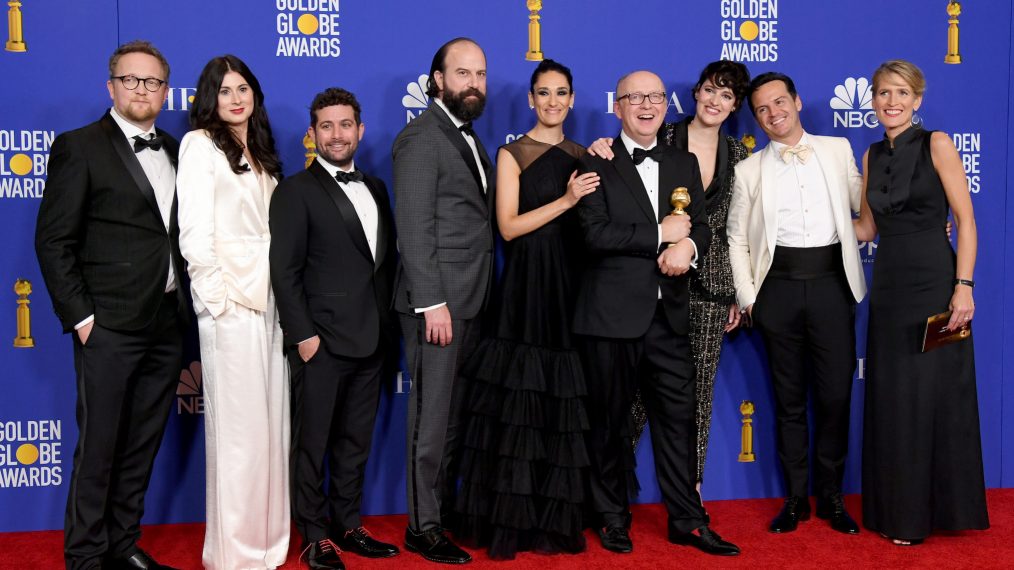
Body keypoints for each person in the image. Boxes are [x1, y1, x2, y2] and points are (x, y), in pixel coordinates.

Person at [35, 40, 187, 570]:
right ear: (111, 86)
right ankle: (85, 556)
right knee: (99, 447)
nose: (141, 89)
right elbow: (54, 241)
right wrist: (82, 318)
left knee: (142, 444)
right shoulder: (80, 146)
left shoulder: (177, 148)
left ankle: (123, 545)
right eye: (131, 80)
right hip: (108, 326)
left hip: (167, 323)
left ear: (166, 92)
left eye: (152, 82)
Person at [573, 70, 739, 557]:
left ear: (667, 105)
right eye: (635, 97)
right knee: (608, 423)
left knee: (679, 422)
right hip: (609, 319)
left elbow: (705, 227)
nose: (646, 105)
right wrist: (660, 236)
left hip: (670, 318)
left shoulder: (683, 161)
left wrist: (687, 244)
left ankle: (687, 518)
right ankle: (610, 517)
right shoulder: (594, 161)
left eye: (655, 97)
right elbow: (593, 235)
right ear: (618, 106)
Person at [452, 59, 600, 560]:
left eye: (562, 92)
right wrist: (565, 199)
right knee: (519, 402)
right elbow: (509, 227)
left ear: (573, 99)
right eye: (544, 93)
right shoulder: (511, 154)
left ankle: (554, 522)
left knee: (562, 401)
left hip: (571, 286)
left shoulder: (587, 156)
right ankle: (510, 522)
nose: (553, 101)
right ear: (531, 100)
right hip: (524, 283)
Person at [855, 60, 989, 546]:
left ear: (917, 100)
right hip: (889, 289)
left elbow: (966, 221)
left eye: (901, 93)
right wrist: (802, 230)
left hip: (937, 283)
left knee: (937, 395)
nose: (891, 101)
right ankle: (898, 509)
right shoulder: (870, 154)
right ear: (873, 101)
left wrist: (964, 286)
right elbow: (866, 229)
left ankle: (938, 512)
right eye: (882, 93)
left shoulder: (937, 144)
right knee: (895, 398)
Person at [726, 72, 866, 535]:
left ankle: (830, 497)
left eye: (779, 102)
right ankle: (794, 499)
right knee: (787, 402)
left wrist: (926, 225)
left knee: (835, 397)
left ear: (798, 101)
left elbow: (868, 211)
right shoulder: (748, 169)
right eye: (762, 109)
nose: (773, 113)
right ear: (756, 118)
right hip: (777, 292)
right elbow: (736, 239)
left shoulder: (836, 149)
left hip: (831, 284)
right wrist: (751, 300)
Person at [269, 87, 401, 569]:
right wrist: (303, 337)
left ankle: (348, 525)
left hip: (372, 340)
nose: (337, 134)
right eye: (326, 125)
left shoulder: (378, 188)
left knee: (354, 443)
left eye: (346, 124)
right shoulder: (294, 191)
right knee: (313, 444)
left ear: (360, 131)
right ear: (312, 134)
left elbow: (382, 265)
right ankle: (314, 534)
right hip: (320, 343)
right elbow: (284, 271)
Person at [176, 55, 289, 570]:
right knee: (238, 438)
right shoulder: (199, 145)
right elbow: (194, 231)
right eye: (225, 91)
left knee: (270, 434)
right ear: (209, 98)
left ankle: (268, 544)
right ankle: (233, 554)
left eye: (243, 88)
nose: (236, 98)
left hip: (271, 305)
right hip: (230, 305)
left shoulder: (261, 151)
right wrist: (215, 301)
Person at [392, 37, 495, 565]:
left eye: (479, 74)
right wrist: (431, 302)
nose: (473, 83)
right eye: (462, 74)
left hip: (470, 299)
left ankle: (441, 513)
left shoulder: (467, 137)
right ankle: (421, 528)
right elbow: (413, 226)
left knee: (451, 418)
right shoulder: (421, 138)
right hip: (438, 306)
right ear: (437, 80)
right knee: (429, 420)